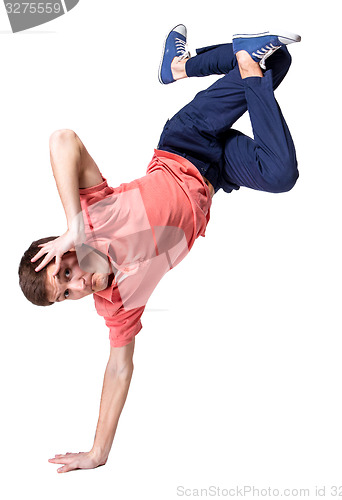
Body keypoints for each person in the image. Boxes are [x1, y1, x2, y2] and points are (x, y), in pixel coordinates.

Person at [18, 25, 301, 473]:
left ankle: (181, 66)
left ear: (61, 250)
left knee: (273, 62)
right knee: (280, 168)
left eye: (65, 274)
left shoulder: (93, 216)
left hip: (185, 140)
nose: (78, 287)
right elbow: (118, 370)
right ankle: (183, 65)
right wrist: (97, 454)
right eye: (66, 294)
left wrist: (72, 226)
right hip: (217, 171)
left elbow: (62, 139)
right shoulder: (117, 306)